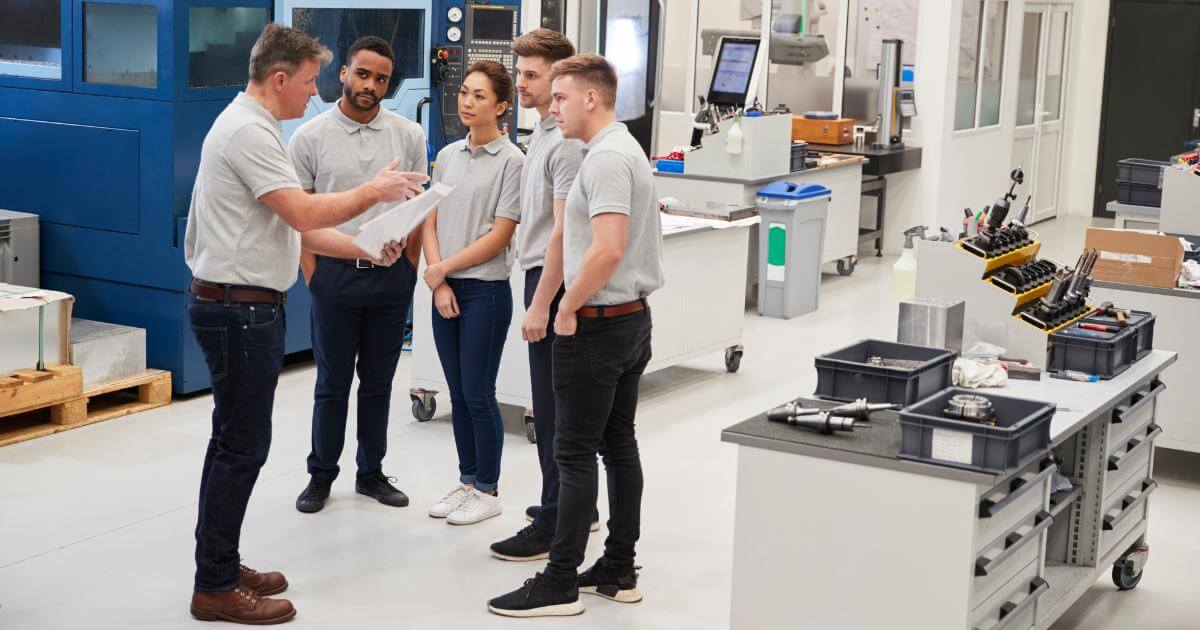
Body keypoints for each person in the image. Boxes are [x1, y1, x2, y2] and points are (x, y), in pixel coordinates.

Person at [184, 23, 426, 625]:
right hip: (238, 309)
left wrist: (364, 251)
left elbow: (297, 227)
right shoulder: (250, 132)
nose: (315, 93)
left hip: (243, 305)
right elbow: (303, 209)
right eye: (313, 80)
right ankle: (213, 585)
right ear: (280, 78)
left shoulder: (256, 127)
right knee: (241, 448)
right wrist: (373, 192)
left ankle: (219, 560)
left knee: (232, 444)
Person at [487, 53, 664, 618]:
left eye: (560, 97)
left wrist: (566, 306)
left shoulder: (607, 159)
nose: (550, 106)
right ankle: (617, 567)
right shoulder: (611, 149)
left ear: (592, 97)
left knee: (572, 453)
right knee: (617, 446)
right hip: (629, 321)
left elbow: (608, 248)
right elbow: (577, 236)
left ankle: (560, 580)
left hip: (600, 327)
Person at [288, 36, 427, 514]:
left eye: (381, 79)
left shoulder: (409, 136)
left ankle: (370, 473)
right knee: (332, 383)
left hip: (390, 280)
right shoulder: (308, 138)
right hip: (334, 278)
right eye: (362, 74)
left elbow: (418, 207)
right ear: (343, 73)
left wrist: (408, 266)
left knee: (379, 382)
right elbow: (298, 218)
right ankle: (320, 475)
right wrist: (314, 276)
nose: (370, 85)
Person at [489, 29, 597, 563]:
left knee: (555, 414)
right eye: (521, 73)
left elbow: (562, 233)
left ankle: (556, 521)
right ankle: (575, 507)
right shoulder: (543, 135)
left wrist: (540, 304)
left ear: (561, 78)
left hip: (550, 283)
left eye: (533, 75)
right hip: (540, 275)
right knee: (558, 409)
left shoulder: (567, 145)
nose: (522, 83)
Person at [421, 60, 524, 526]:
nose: (466, 101)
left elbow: (500, 234)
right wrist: (438, 280)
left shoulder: (513, 162)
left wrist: (444, 268)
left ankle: (489, 488)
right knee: (457, 393)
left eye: (479, 96)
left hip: (484, 291)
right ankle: (466, 483)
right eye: (464, 92)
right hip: (446, 289)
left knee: (479, 392)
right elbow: (430, 219)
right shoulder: (447, 156)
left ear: (502, 106)